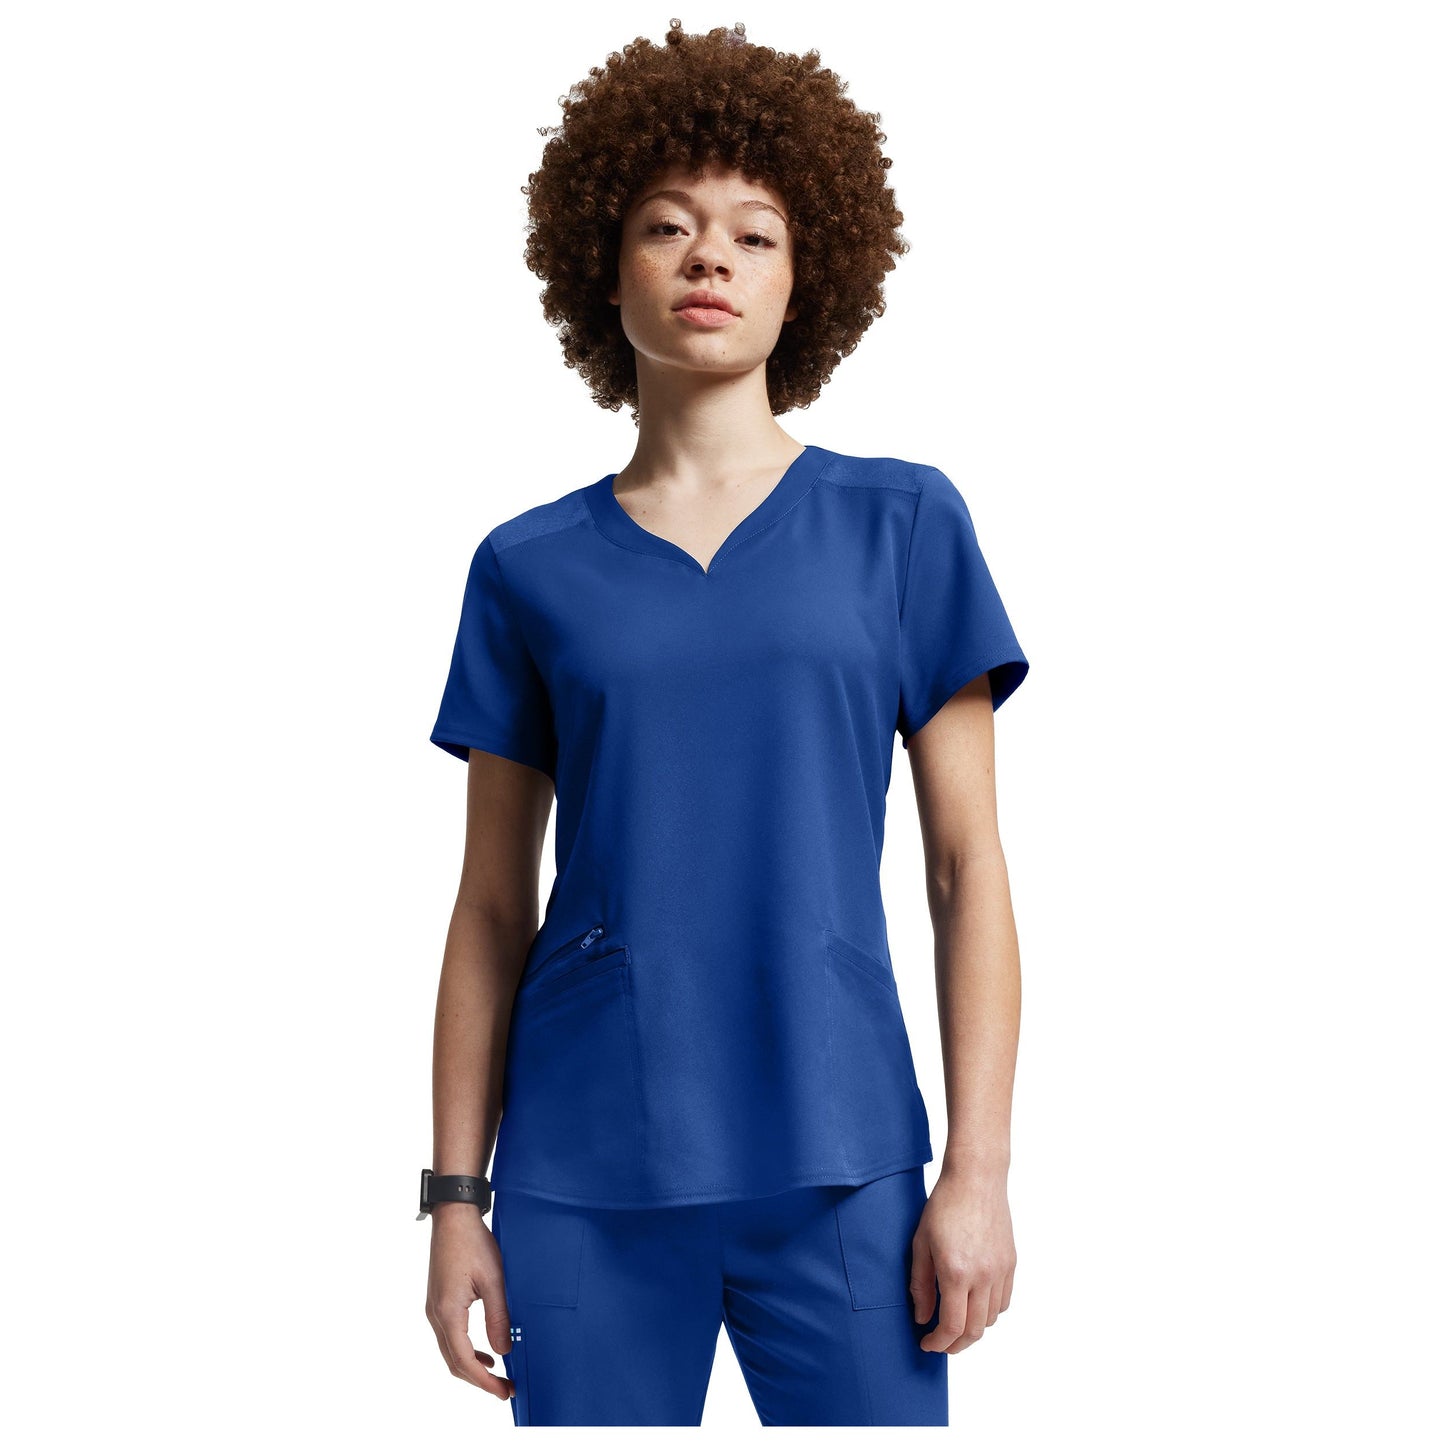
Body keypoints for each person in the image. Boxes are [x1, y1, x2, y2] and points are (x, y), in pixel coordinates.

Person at [420, 18, 1031, 1427]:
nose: (711, 257)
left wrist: (979, 1172)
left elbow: (966, 868)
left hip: (845, 1157)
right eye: (668, 226)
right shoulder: (525, 566)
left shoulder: (903, 523)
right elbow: (490, 904)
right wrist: (455, 1198)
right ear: (603, 265)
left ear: (807, 278)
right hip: (583, 1167)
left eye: (756, 235)